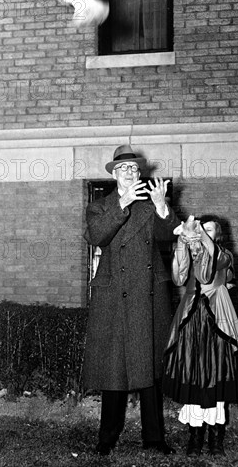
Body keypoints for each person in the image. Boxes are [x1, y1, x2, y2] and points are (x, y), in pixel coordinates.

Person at [83, 145, 180, 456]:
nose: (130, 172)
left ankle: (154, 438)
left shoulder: (151, 205)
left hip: (148, 294)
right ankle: (107, 437)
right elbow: (96, 236)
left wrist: (162, 205)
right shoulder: (100, 207)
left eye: (135, 169)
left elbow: (169, 235)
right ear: (113, 174)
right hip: (114, 298)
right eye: (124, 168)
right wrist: (123, 203)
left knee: (149, 370)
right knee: (114, 371)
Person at [162, 215, 238, 456]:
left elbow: (206, 275)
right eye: (201, 230)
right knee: (192, 372)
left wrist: (198, 236)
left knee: (216, 373)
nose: (202, 234)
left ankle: (216, 438)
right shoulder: (191, 250)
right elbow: (179, 278)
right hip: (190, 318)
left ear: (217, 236)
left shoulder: (227, 256)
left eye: (208, 230)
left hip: (218, 320)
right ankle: (195, 436)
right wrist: (182, 241)